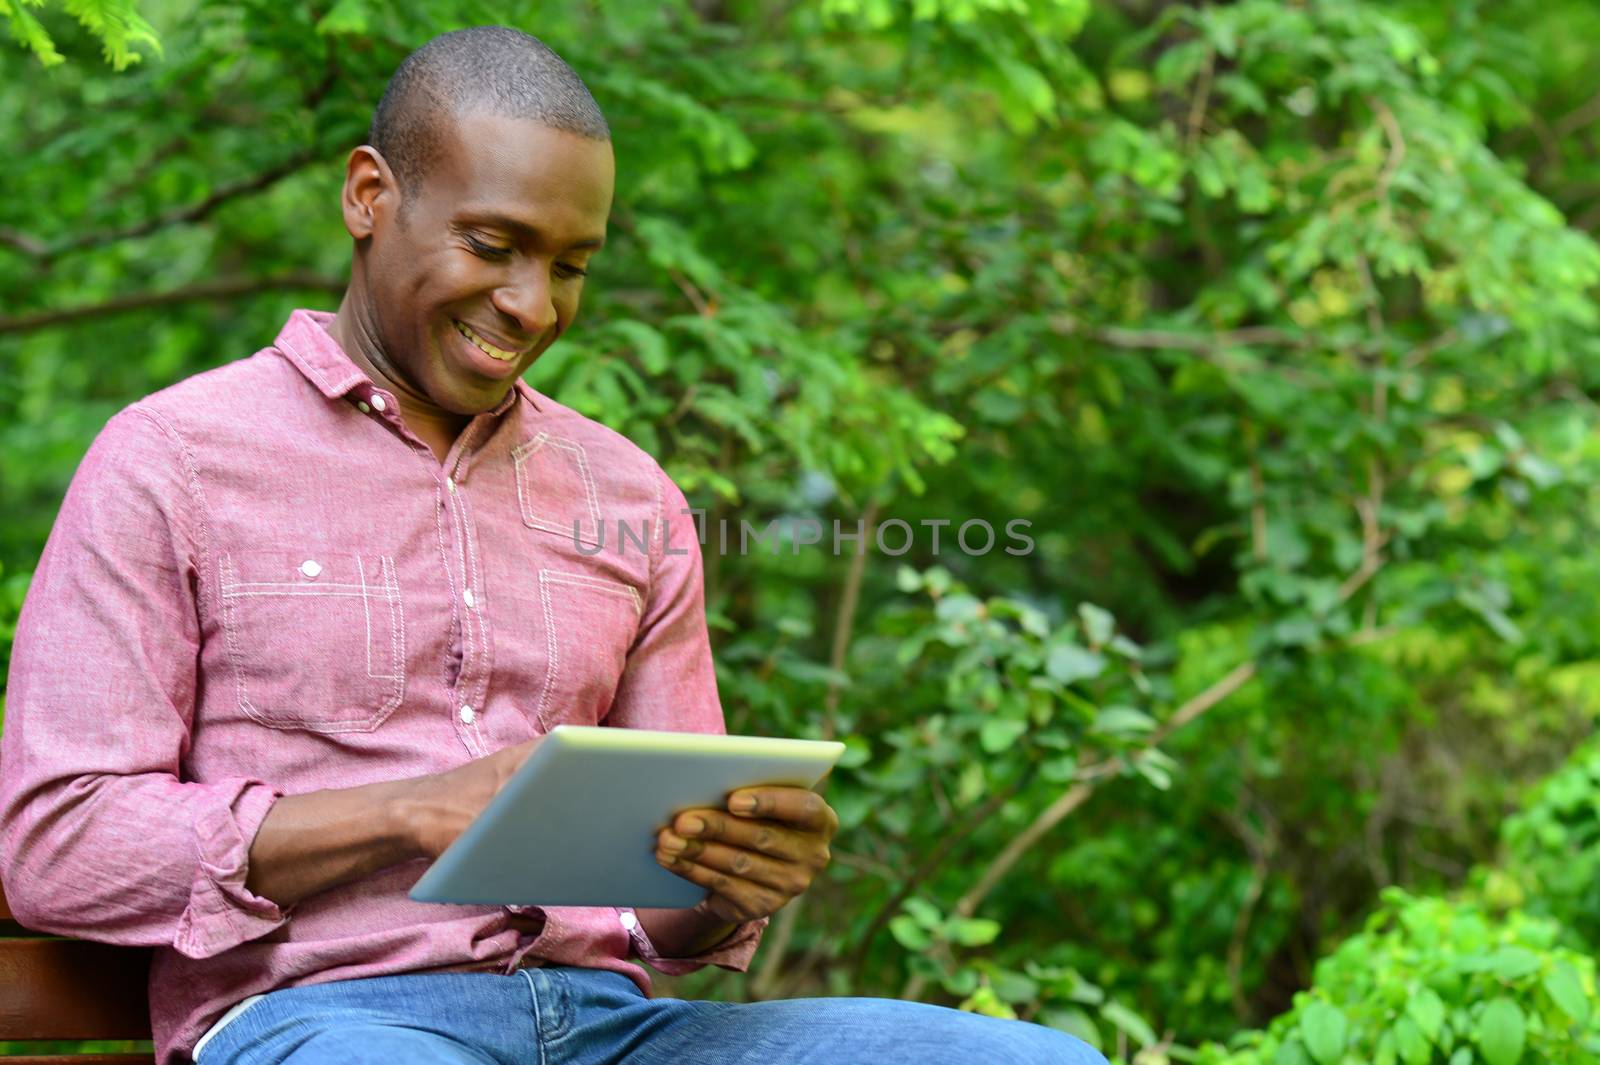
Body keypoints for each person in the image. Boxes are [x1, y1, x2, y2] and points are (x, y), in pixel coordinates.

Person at [0, 26, 1106, 1065]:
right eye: (494, 245)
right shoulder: (175, 459)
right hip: (321, 1018)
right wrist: (403, 812)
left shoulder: (627, 494)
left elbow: (668, 917)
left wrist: (729, 877)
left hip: (609, 1026)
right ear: (369, 195)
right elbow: (59, 844)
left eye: (571, 266)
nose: (532, 306)